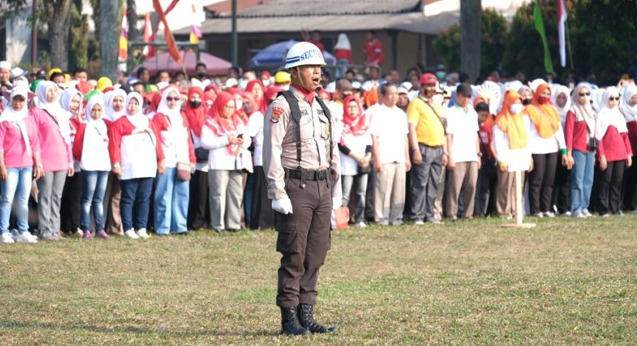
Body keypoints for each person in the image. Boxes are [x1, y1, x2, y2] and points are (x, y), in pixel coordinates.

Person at [262, 41, 340, 335]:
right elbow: (271, 151)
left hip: (322, 186)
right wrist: (277, 192)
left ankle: (306, 314)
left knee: (317, 253)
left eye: (319, 68)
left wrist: (337, 189)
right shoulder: (281, 106)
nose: (317, 73)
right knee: (294, 253)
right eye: (310, 67)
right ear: (294, 72)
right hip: (296, 185)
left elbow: (332, 150)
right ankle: (288, 318)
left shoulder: (323, 106)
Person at [109, 92, 165, 239]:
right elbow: (114, 145)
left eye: (135, 103)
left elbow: (156, 141)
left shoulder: (148, 121)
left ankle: (141, 227)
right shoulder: (119, 122)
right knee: (128, 198)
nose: (132, 106)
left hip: (147, 165)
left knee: (144, 198)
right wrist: (116, 163)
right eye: (130, 103)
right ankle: (128, 228)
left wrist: (161, 159)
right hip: (129, 166)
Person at [201, 92, 251, 232]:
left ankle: (233, 224)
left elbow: (247, 140)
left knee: (236, 194)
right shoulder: (211, 121)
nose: (229, 110)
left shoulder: (237, 121)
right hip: (218, 163)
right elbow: (205, 142)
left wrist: (242, 141)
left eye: (231, 107)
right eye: (226, 106)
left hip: (235, 162)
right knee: (218, 195)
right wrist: (225, 140)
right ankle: (218, 225)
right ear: (219, 106)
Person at [0, 86, 43, 243]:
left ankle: (22, 229)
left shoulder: (29, 118)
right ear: (10, 100)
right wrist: (2, 165)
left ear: (26, 101)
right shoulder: (5, 119)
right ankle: (3, 230)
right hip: (10, 165)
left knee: (23, 199)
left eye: (21, 99)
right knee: (7, 199)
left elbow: (35, 143)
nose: (18, 103)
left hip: (26, 164)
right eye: (15, 99)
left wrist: (37, 164)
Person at [152, 86, 196, 235]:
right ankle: (163, 227)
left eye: (176, 98)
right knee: (163, 195)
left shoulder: (182, 116)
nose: (172, 101)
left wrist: (192, 159)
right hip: (167, 161)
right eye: (169, 98)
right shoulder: (159, 117)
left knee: (182, 195)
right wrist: (160, 159)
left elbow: (188, 139)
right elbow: (156, 140)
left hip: (182, 161)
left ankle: (180, 226)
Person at [34, 81, 74, 240]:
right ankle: (44, 229)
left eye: (54, 91)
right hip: (45, 160)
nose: (52, 94)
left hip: (62, 160)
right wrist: (38, 162)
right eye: (48, 91)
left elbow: (66, 139)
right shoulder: (37, 112)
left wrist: (70, 161)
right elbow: (35, 138)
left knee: (57, 196)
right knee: (45, 195)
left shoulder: (61, 112)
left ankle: (55, 229)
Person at [523, 83, 569, 218]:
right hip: (536, 149)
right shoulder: (529, 109)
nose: (545, 96)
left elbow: (558, 131)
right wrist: (528, 154)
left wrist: (564, 151)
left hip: (552, 148)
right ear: (536, 93)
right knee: (537, 180)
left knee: (549, 180)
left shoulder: (552, 110)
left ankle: (546, 208)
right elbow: (526, 132)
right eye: (542, 93)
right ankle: (536, 210)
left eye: (548, 93)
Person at [407, 73, 448, 224]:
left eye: (432, 85)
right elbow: (411, 128)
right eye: (427, 86)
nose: (430, 88)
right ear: (421, 86)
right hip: (423, 147)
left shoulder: (437, 104)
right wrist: (415, 150)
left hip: (438, 147)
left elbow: (443, 129)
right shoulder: (415, 103)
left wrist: (445, 151)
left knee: (433, 183)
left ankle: (429, 214)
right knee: (419, 183)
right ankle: (417, 215)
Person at [368, 83, 410, 225]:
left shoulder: (401, 114)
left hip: (399, 157)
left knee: (399, 190)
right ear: (384, 96)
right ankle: (381, 218)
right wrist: (377, 159)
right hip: (384, 156)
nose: (394, 97)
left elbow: (405, 137)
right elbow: (373, 136)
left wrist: (407, 158)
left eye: (396, 94)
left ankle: (396, 217)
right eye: (390, 94)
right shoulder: (378, 112)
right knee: (382, 190)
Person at [73, 94, 111, 239]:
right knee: (87, 198)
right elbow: (77, 145)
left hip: (103, 164)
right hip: (89, 165)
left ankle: (100, 228)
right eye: (93, 110)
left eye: (99, 110)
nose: (95, 113)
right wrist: (81, 158)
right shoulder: (84, 125)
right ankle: (86, 228)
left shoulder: (104, 124)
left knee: (99, 198)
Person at [492, 89, 533, 218]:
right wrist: (501, 160)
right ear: (508, 103)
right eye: (514, 102)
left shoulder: (524, 118)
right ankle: (504, 211)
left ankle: (517, 210)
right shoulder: (501, 120)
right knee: (505, 185)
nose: (517, 105)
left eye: (518, 102)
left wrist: (529, 157)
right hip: (507, 157)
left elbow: (528, 139)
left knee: (518, 185)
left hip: (520, 156)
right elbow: (498, 143)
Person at [445, 83, 481, 220]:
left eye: (468, 96)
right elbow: (448, 135)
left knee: (471, 186)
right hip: (457, 153)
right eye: (462, 96)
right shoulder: (450, 112)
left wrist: (478, 155)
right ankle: (452, 213)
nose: (465, 99)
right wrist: (450, 156)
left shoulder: (472, 111)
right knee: (455, 187)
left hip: (471, 154)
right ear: (457, 96)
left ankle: (468, 213)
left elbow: (475, 134)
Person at [595, 87, 633, 216]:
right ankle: (603, 208)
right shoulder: (601, 114)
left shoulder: (619, 114)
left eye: (617, 98)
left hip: (620, 153)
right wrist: (601, 155)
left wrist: (629, 153)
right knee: (605, 181)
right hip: (607, 154)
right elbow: (597, 137)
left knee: (617, 181)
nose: (614, 101)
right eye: (611, 98)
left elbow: (625, 136)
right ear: (606, 99)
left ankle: (615, 207)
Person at [339, 95, 372, 227]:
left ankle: (360, 219)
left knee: (361, 193)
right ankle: (341, 221)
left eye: (355, 106)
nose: (352, 109)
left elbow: (368, 143)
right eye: (349, 106)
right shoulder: (341, 124)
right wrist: (357, 157)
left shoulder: (364, 123)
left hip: (363, 162)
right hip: (348, 163)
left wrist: (367, 157)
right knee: (345, 194)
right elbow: (341, 145)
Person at [565, 83, 597, 218]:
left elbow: (595, 133)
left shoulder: (592, 111)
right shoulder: (573, 111)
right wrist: (569, 153)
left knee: (588, 180)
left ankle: (584, 206)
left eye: (587, 94)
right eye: (581, 94)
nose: (584, 97)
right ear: (576, 95)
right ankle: (576, 208)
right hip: (578, 149)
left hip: (590, 149)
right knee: (577, 180)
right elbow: (569, 132)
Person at [59, 88, 84, 237]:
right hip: (62, 162)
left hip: (77, 164)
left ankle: (75, 227)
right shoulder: (60, 117)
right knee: (62, 194)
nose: (74, 105)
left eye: (77, 102)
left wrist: (80, 118)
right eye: (72, 101)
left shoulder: (79, 119)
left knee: (75, 196)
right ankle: (62, 226)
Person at [184, 86, 210, 230]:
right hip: (189, 158)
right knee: (190, 191)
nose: (195, 100)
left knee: (202, 193)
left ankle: (199, 221)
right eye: (192, 97)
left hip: (205, 160)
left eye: (198, 97)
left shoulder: (207, 114)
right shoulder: (184, 114)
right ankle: (189, 220)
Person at [552, 85, 573, 216]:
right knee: (553, 179)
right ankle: (551, 205)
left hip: (571, 150)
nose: (562, 100)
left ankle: (564, 207)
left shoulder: (571, 111)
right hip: (555, 149)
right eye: (559, 97)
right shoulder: (552, 112)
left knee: (565, 180)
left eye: (564, 97)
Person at [619, 84, 637, 210]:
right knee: (625, 176)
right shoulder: (621, 109)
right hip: (627, 148)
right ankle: (622, 202)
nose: (634, 99)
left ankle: (632, 203)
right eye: (632, 97)